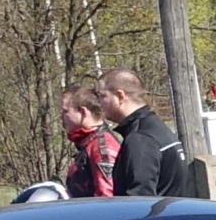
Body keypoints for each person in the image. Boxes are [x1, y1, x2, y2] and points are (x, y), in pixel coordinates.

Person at [97, 68, 197, 197]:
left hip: (160, 216)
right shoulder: (156, 128)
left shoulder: (141, 138)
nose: (99, 103)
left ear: (120, 96)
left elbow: (140, 200)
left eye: (102, 96)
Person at [60, 85, 119, 198]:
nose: (61, 117)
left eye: (65, 111)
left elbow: (107, 198)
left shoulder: (103, 147)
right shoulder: (88, 142)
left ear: (83, 112)